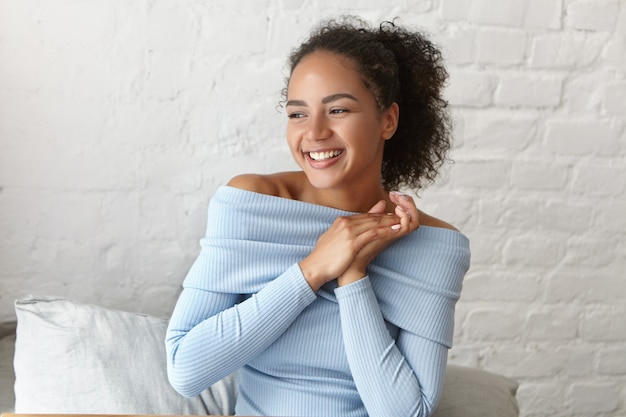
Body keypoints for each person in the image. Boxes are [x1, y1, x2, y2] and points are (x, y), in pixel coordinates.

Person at [165, 16, 470, 417]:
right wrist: (312, 270)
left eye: (338, 109)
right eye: (297, 114)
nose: (314, 132)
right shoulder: (251, 204)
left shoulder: (434, 245)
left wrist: (353, 275)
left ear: (388, 120)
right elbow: (186, 370)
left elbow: (404, 413)